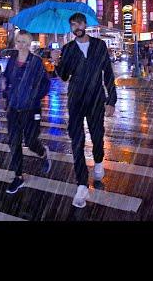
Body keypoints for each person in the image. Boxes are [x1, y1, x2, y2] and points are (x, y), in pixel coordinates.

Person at [50, 12, 117, 208]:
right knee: (77, 141)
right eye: (72, 25)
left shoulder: (99, 45)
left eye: (79, 23)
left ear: (85, 24)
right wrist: (56, 62)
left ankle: (98, 162)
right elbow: (63, 76)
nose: (76, 27)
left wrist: (111, 100)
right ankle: (81, 184)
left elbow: (108, 74)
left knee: (97, 137)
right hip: (76, 100)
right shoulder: (68, 49)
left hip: (96, 99)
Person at [0, 30, 52, 194]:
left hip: (31, 109)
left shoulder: (36, 62)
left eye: (24, 42)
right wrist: (4, 89)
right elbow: (6, 79)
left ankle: (43, 153)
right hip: (13, 108)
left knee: (30, 142)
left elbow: (46, 83)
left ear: (29, 44)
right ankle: (18, 176)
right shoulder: (12, 61)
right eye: (18, 42)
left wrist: (34, 96)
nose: (21, 45)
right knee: (14, 143)